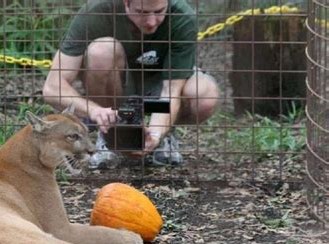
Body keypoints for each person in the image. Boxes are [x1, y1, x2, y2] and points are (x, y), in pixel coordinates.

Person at [42, 0, 219, 169]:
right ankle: (109, 133)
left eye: (159, 12)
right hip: (117, 96)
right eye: (142, 12)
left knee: (204, 94)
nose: (151, 22)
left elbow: (171, 90)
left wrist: (156, 134)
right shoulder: (97, 11)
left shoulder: (182, 16)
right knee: (100, 51)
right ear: (126, 3)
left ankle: (162, 135)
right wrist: (94, 111)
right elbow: (52, 87)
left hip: (157, 99)